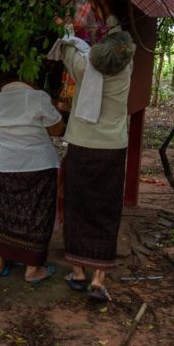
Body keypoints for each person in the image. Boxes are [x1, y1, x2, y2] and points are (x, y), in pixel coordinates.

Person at [59, 30, 135, 301]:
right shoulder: (127, 69)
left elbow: (66, 47)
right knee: (106, 209)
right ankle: (98, 280)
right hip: (113, 149)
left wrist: (72, 29)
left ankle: (78, 272)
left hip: (82, 145)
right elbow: (122, 43)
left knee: (77, 206)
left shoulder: (83, 67)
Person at [0, 74, 65, 283]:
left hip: (6, 164)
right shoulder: (38, 97)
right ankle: (32, 270)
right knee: (37, 214)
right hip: (38, 164)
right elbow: (58, 128)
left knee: (4, 211)